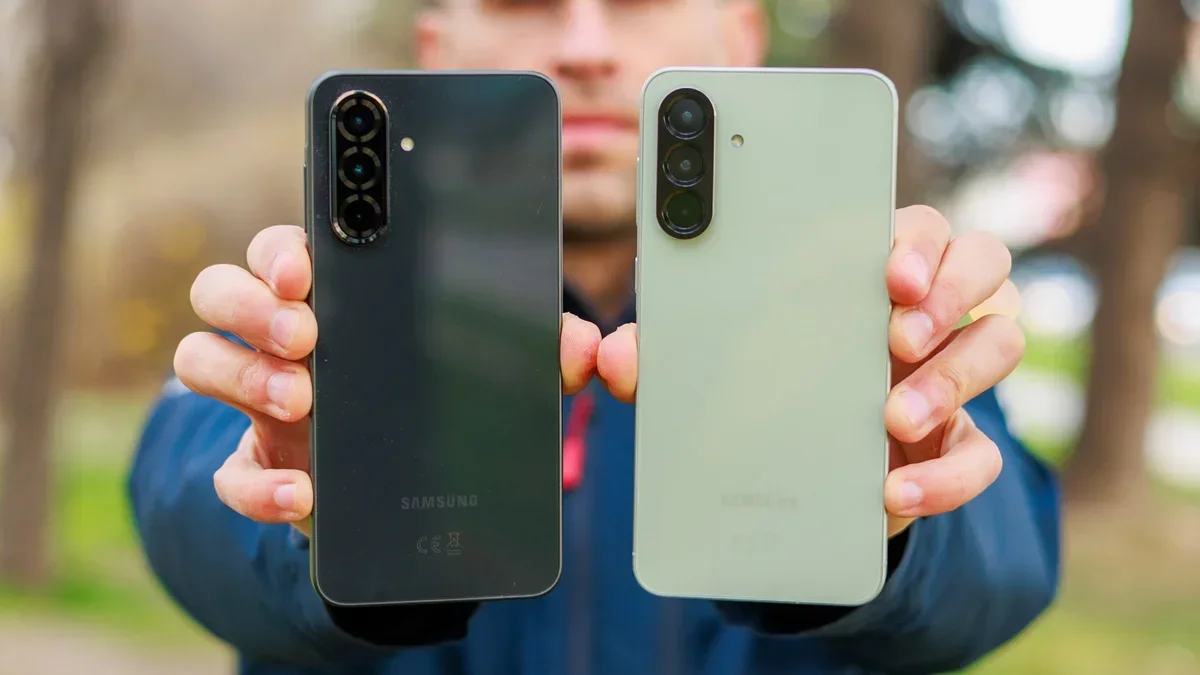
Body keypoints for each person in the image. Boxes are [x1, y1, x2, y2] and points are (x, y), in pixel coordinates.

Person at [128, 0, 1060, 672]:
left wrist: (892, 521)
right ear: (438, 51)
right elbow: (184, 494)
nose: (585, 46)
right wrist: (308, 514)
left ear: (741, 37)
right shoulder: (318, 306)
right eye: (523, 1)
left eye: (639, 0)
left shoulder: (862, 315)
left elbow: (1005, 557)